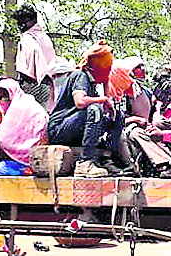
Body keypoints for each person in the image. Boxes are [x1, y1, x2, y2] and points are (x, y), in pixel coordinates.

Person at [46, 41, 121, 178]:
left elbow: (108, 100)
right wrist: (103, 100)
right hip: (60, 129)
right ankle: (85, 163)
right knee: (95, 109)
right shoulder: (81, 76)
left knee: (117, 115)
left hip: (74, 126)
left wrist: (106, 91)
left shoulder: (94, 82)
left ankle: (108, 157)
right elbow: (80, 102)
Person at [0, 79, 49, 165]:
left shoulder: (17, 108)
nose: (3, 100)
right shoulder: (29, 102)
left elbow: (4, 142)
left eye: (5, 96)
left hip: (26, 153)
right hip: (26, 151)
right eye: (0, 97)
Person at [12, 5, 56, 107]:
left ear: (32, 20)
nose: (20, 25)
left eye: (23, 21)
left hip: (33, 83)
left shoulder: (27, 37)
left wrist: (39, 76)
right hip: (49, 84)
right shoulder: (45, 37)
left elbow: (34, 52)